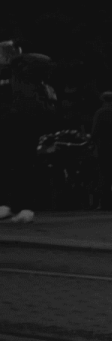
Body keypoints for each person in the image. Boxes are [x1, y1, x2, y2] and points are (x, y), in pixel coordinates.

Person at [0, 42, 56, 224]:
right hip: (24, 125)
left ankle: (16, 205)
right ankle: (17, 205)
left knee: (17, 165)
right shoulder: (31, 79)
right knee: (19, 166)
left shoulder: (19, 74)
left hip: (16, 124)